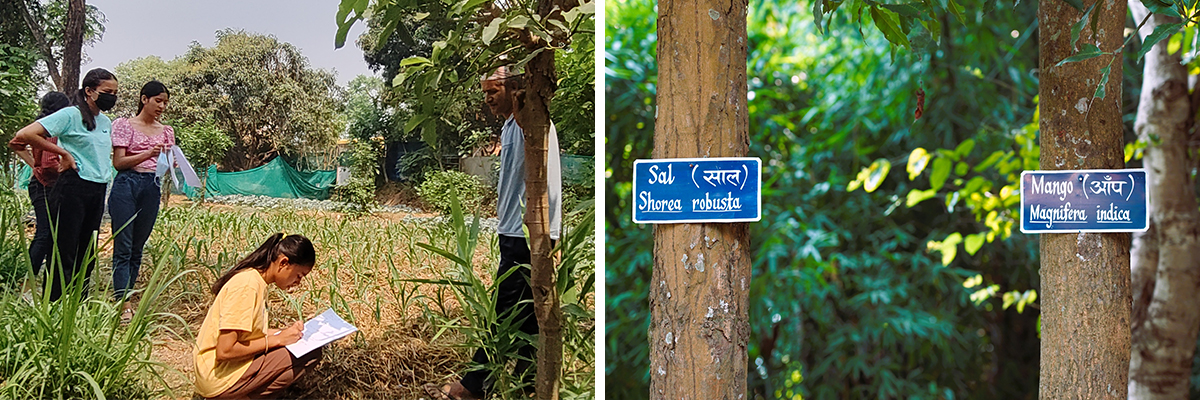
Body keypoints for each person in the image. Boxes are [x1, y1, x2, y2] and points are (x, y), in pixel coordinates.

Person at [425, 66, 563, 400]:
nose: (487, 99)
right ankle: (528, 385)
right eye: (485, 92)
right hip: (516, 231)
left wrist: (521, 102)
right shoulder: (509, 125)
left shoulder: (528, 119)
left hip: (526, 234)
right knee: (527, 314)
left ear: (514, 89)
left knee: (502, 312)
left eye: (493, 91)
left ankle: (472, 387)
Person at [13, 68, 119, 301]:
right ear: (89, 91)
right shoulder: (70, 115)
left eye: (115, 92)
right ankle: (55, 302)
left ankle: (78, 302)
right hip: (72, 186)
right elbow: (26, 134)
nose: (111, 97)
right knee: (64, 247)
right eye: (106, 91)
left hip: (97, 188)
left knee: (86, 248)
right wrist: (62, 153)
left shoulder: (105, 121)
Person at [193, 233, 322, 399]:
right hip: (217, 377)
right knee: (309, 354)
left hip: (216, 373)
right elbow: (225, 350)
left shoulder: (255, 281)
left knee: (302, 348)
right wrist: (278, 340)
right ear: (283, 263)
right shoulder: (247, 286)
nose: (299, 282)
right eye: (299, 275)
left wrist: (285, 333)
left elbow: (248, 333)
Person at [109, 80, 174, 323]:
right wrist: (149, 153)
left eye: (165, 102)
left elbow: (164, 167)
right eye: (158, 100)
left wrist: (171, 165)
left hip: (151, 186)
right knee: (123, 245)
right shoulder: (124, 125)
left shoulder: (166, 131)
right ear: (144, 99)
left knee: (137, 246)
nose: (162, 106)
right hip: (127, 184)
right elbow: (119, 162)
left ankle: (128, 294)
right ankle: (122, 302)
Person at [8, 91, 71, 284]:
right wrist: (65, 169)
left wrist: (33, 164)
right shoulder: (51, 130)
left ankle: (40, 281)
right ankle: (27, 283)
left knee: (49, 233)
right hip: (46, 186)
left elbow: (15, 144)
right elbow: (49, 163)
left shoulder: (39, 126)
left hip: (43, 184)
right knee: (46, 234)